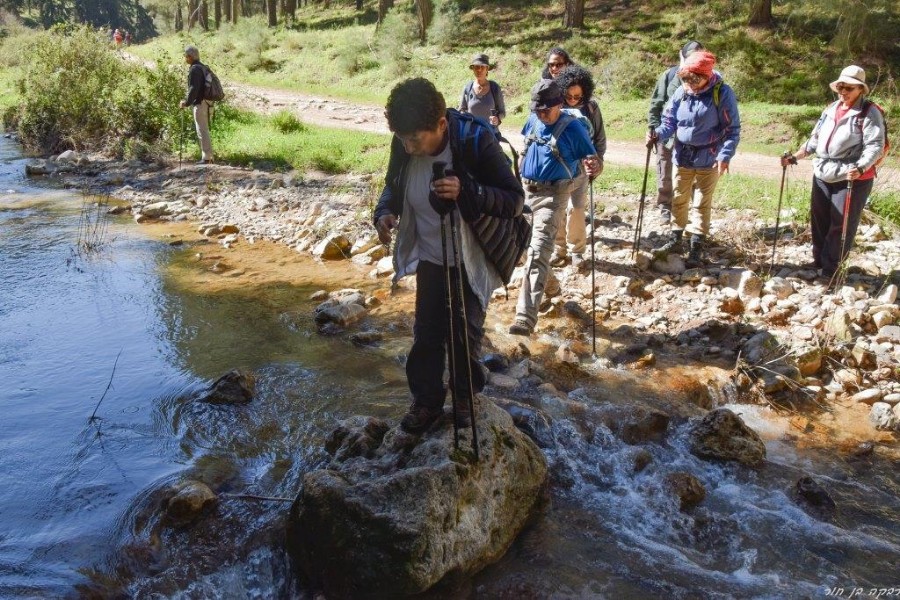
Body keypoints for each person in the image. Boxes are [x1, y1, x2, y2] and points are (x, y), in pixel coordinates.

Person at [373, 78, 525, 434]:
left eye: (416, 139)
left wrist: (466, 188)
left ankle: (464, 399)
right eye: (403, 139)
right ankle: (426, 402)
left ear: (440, 124)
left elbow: (514, 200)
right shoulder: (405, 143)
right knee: (426, 334)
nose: (409, 147)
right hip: (431, 254)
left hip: (470, 257)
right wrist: (383, 212)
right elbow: (393, 185)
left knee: (464, 336)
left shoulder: (475, 141)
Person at [509, 79, 601, 336]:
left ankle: (524, 318)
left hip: (555, 196)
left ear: (558, 104)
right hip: (527, 192)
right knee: (523, 248)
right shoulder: (533, 120)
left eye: (545, 110)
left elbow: (592, 159)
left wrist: (595, 166)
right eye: (536, 109)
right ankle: (550, 286)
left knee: (538, 251)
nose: (540, 114)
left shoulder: (573, 129)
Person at [780, 65, 885, 280]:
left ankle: (832, 268)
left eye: (848, 88)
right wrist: (796, 157)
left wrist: (861, 167)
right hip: (823, 171)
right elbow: (815, 139)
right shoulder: (830, 109)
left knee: (841, 223)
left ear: (860, 89)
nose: (843, 92)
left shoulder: (869, 112)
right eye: (840, 87)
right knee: (819, 219)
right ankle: (818, 261)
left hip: (852, 176)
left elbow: (875, 145)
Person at [647, 50, 740, 267]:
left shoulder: (722, 93)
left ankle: (696, 246)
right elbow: (669, 121)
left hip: (710, 156)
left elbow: (732, 129)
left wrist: (725, 155)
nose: (689, 83)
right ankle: (676, 239)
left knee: (701, 203)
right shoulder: (682, 91)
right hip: (683, 154)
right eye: (686, 78)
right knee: (679, 197)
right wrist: (657, 133)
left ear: (706, 75)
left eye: (694, 79)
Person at [551, 65, 607, 269]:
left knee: (577, 208)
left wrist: (598, 162)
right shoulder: (553, 107)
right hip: (559, 167)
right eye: (569, 97)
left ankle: (577, 252)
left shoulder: (591, 108)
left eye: (578, 97)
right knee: (558, 208)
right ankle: (559, 250)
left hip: (583, 169)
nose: (573, 101)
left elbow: (599, 138)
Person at [648, 41, 705, 219]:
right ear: (683, 56)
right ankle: (666, 207)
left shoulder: (708, 79)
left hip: (695, 137)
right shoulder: (670, 75)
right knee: (665, 173)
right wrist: (653, 130)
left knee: (695, 175)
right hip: (668, 135)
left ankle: (694, 210)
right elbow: (656, 104)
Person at [179, 45, 214, 164]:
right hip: (208, 102)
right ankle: (208, 157)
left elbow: (194, 89)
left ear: (190, 56)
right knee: (204, 129)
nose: (185, 58)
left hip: (201, 103)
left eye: (186, 56)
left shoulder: (194, 69)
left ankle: (207, 158)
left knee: (202, 130)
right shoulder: (202, 67)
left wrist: (186, 103)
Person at [459, 53, 505, 132]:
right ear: (473, 69)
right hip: (472, 135)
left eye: (482, 67)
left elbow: (502, 112)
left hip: (491, 135)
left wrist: (497, 119)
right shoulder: (468, 88)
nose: (479, 70)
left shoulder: (494, 88)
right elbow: (461, 110)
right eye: (476, 67)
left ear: (487, 69)